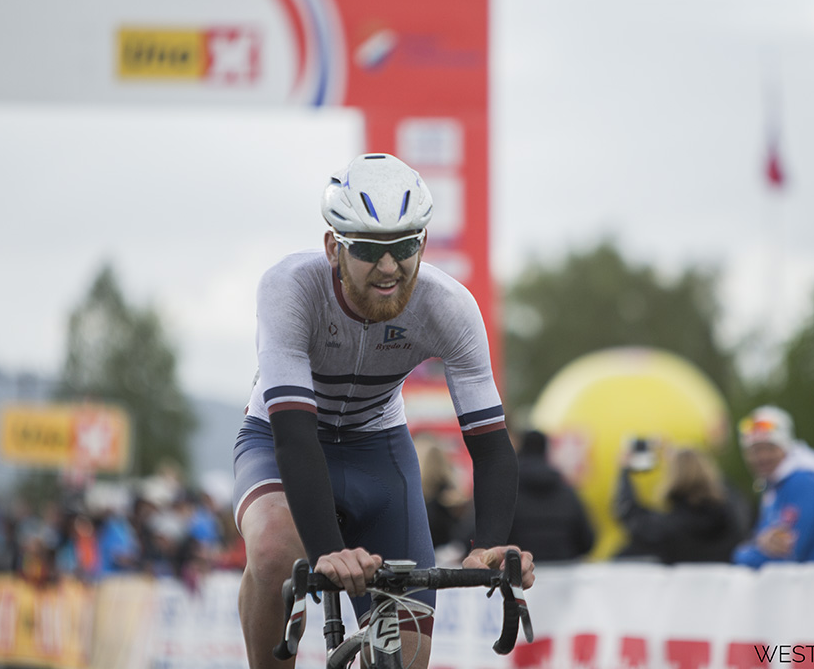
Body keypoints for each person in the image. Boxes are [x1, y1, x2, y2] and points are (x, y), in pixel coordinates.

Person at [232, 153, 535, 669]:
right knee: (276, 548)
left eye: (405, 246)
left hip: (379, 450)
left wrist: (489, 545)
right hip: (282, 438)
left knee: (407, 658)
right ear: (334, 248)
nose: (390, 266)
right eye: (370, 249)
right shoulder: (291, 289)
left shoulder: (449, 306)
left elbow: (490, 448)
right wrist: (327, 549)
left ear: (423, 243)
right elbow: (295, 437)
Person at [732, 406, 814, 568]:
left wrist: (739, 555)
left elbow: (786, 557)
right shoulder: (775, 486)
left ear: (786, 448)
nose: (762, 456)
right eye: (754, 450)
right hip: (804, 582)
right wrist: (757, 545)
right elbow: (762, 545)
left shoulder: (802, 483)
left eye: (769, 448)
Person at [613, 443, 740, 564]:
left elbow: (631, 513)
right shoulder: (729, 516)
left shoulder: (669, 525)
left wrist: (624, 472)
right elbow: (726, 491)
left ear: (672, 477)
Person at [507, 430, 596, 562]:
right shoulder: (567, 492)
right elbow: (587, 540)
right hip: (563, 568)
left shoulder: (507, 494)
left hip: (521, 570)